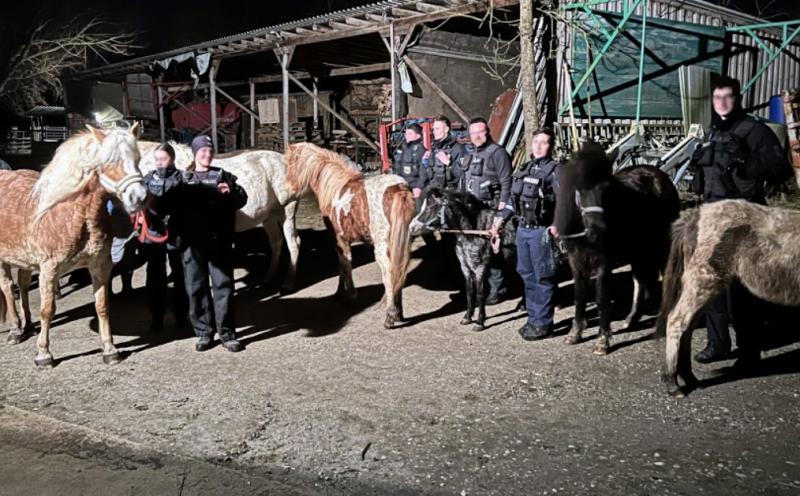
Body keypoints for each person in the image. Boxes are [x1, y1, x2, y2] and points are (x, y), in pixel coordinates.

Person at [690, 76, 793, 365]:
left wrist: (748, 161)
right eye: (717, 97)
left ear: (738, 98)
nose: (722, 102)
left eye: (728, 97)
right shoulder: (713, 132)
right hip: (711, 219)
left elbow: (780, 170)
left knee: (743, 290)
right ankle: (717, 344)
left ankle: (749, 350)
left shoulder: (755, 130)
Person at [174, 135, 248, 352]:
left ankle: (227, 334)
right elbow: (170, 206)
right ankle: (204, 333)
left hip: (219, 242)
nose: (207, 154)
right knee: (196, 288)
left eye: (209, 151)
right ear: (195, 153)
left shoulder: (223, 175)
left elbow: (242, 200)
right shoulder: (183, 178)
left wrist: (231, 192)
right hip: (191, 245)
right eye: (202, 151)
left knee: (223, 286)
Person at [494, 128, 561, 340]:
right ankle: (533, 318)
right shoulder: (525, 168)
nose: (539, 146)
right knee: (527, 274)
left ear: (551, 146)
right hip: (523, 230)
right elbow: (513, 203)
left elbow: (566, 203)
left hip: (542, 232)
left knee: (543, 277)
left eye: (544, 142)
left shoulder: (556, 171)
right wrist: (499, 220)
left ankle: (543, 323)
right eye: (536, 142)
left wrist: (558, 224)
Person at [462, 117, 513, 304]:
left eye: (480, 132)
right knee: (478, 251)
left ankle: (497, 289)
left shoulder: (498, 153)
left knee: (494, 251)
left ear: (487, 132)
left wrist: (502, 206)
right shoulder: (471, 154)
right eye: (473, 133)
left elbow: (507, 181)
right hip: (473, 212)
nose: (476, 136)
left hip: (491, 209)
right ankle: (479, 287)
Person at [141, 143, 188, 332]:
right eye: (157, 159)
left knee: (180, 276)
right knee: (155, 278)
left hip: (176, 234)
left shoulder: (182, 179)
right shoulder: (147, 179)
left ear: (172, 159)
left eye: (164, 158)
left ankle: (181, 316)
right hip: (154, 236)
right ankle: (157, 316)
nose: (160, 162)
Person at [391, 123, 428, 208]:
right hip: (401, 185)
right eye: (406, 133)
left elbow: (424, 171)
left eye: (410, 134)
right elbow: (396, 166)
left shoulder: (422, 151)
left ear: (418, 136)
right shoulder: (401, 148)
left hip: (415, 188)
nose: (407, 136)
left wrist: (419, 187)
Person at [426, 115, 466, 190]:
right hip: (434, 191)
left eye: (437, 129)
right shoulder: (434, 148)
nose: (434, 132)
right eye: (433, 129)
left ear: (446, 129)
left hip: (450, 194)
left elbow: (463, 175)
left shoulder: (458, 148)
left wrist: (449, 164)